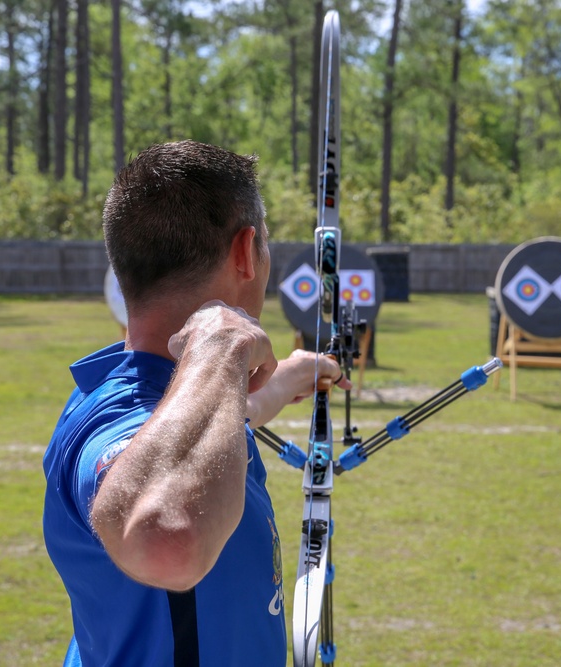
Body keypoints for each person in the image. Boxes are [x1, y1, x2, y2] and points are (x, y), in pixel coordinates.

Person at [42, 140, 349, 666]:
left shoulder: (154, 393)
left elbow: (206, 432)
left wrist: (282, 381)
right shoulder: (121, 416)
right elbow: (166, 536)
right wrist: (220, 344)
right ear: (244, 252)